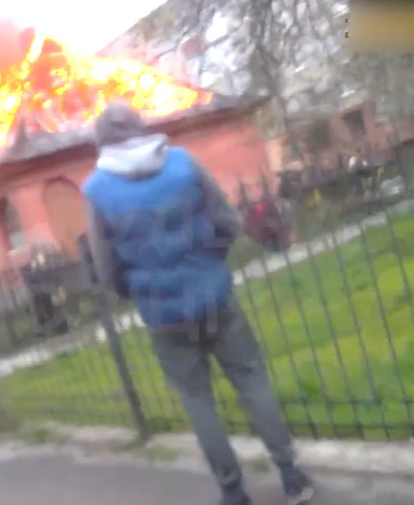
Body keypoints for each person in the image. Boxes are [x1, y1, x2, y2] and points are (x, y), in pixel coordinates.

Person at [82, 102, 315, 505]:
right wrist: (211, 264)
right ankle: (291, 476)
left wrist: (138, 292)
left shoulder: (96, 191)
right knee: (252, 381)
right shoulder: (182, 164)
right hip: (214, 296)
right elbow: (227, 222)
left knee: (197, 400)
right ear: (141, 127)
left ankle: (233, 492)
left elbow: (106, 267)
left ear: (102, 143)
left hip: (163, 316)